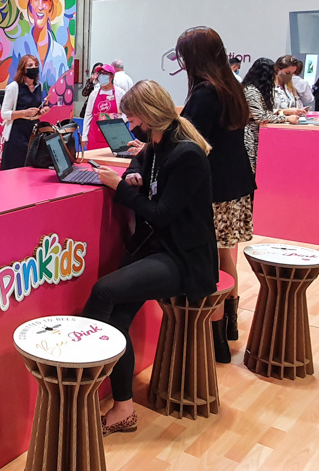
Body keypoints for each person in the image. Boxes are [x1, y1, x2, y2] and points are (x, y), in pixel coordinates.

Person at [85, 80, 217, 435]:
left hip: (183, 258)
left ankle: (81, 387)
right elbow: (137, 165)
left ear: (148, 114)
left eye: (132, 118)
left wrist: (120, 188)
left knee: (103, 292)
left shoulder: (186, 155)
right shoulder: (156, 145)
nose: (130, 126)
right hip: (157, 248)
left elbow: (161, 215)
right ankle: (123, 408)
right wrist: (132, 174)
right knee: (116, 318)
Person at [177, 27, 254, 363]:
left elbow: (190, 141)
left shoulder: (205, 92)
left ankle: (216, 337)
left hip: (215, 189)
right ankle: (228, 327)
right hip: (236, 185)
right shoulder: (231, 87)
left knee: (211, 262)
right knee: (225, 256)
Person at [243, 58, 295, 173]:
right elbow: (260, 116)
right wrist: (286, 118)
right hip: (250, 135)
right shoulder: (251, 91)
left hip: (257, 133)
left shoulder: (257, 90)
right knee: (251, 169)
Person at [0, 55, 51, 170]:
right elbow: (4, 113)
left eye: (36, 65)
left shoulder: (39, 86)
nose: (34, 68)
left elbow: (35, 108)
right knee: (15, 168)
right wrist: (24, 113)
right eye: (30, 65)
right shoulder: (14, 87)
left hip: (34, 132)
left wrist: (41, 112)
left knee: (32, 169)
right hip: (17, 133)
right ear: (22, 69)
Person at [81, 64, 125, 150]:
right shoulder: (94, 94)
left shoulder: (120, 93)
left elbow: (127, 114)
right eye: (100, 73)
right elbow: (88, 115)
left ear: (111, 76)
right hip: (94, 135)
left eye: (104, 73)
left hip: (114, 135)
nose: (101, 76)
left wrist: (117, 122)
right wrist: (84, 136)